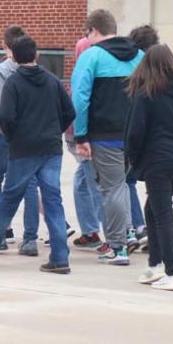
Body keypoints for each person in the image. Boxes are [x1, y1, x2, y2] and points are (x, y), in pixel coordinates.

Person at [0, 35, 75, 274]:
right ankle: (60, 257)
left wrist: (12, 137)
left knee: (9, 198)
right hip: (51, 148)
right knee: (53, 201)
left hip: (23, 148)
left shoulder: (14, 82)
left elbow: (5, 116)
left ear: (14, 57)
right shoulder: (52, 81)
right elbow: (69, 111)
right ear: (36, 54)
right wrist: (54, 131)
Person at [125, 44, 173, 291]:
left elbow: (134, 135)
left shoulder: (145, 94)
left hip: (157, 162)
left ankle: (171, 272)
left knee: (162, 215)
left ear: (146, 65)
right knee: (153, 209)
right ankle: (154, 265)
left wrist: (134, 162)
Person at [72, 10, 143, 265]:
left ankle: (117, 246)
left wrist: (80, 136)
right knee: (122, 187)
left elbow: (79, 98)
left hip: (105, 135)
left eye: (87, 34)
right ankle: (129, 232)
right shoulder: (140, 56)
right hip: (135, 135)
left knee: (111, 189)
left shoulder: (91, 56)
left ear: (93, 31)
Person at [0, 25, 40, 256]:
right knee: (29, 183)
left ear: (5, 46)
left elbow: (0, 105)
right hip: (31, 133)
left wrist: (1, 129)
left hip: (6, 133)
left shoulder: (2, 70)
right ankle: (29, 239)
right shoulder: (37, 71)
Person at [68, 37, 104, 249]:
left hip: (87, 141)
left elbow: (79, 104)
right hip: (87, 138)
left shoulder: (84, 76)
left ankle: (115, 239)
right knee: (82, 184)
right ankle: (90, 231)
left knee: (95, 186)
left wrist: (80, 137)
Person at [127, 25, 161, 247]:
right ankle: (150, 228)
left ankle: (139, 227)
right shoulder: (162, 69)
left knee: (127, 180)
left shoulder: (135, 69)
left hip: (138, 134)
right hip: (160, 138)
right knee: (156, 188)